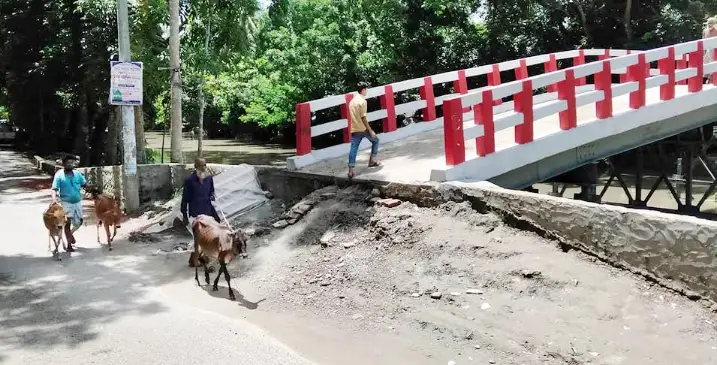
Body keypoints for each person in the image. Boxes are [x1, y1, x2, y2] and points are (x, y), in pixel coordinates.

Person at [51, 156, 87, 252]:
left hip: (77, 201)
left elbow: (84, 184)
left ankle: (70, 234)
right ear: (63, 164)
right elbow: (54, 189)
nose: (70, 164)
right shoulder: (59, 175)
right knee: (67, 223)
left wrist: (93, 190)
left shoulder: (77, 174)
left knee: (79, 222)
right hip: (66, 202)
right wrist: (54, 199)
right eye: (68, 163)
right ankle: (69, 245)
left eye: (72, 162)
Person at [180, 158, 221, 241]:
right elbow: (185, 199)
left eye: (204, 165)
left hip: (207, 210)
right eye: (201, 165)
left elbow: (211, 192)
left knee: (215, 226)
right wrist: (184, 215)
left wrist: (212, 196)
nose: (203, 167)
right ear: (196, 166)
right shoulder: (189, 180)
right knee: (200, 234)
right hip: (196, 213)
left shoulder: (209, 179)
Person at [347, 82, 381, 179]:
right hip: (363, 128)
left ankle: (351, 170)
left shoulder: (352, 102)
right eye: (366, 89)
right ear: (363, 90)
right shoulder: (362, 101)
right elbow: (363, 118)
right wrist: (370, 130)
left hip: (354, 128)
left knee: (353, 149)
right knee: (376, 140)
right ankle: (372, 160)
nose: (366, 91)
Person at [704, 17, 717, 83]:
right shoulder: (705, 31)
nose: (709, 25)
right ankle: (709, 79)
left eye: (711, 23)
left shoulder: (716, 30)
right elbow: (703, 41)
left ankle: (712, 79)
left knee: (713, 63)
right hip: (708, 50)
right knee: (706, 63)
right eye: (708, 23)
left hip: (715, 50)